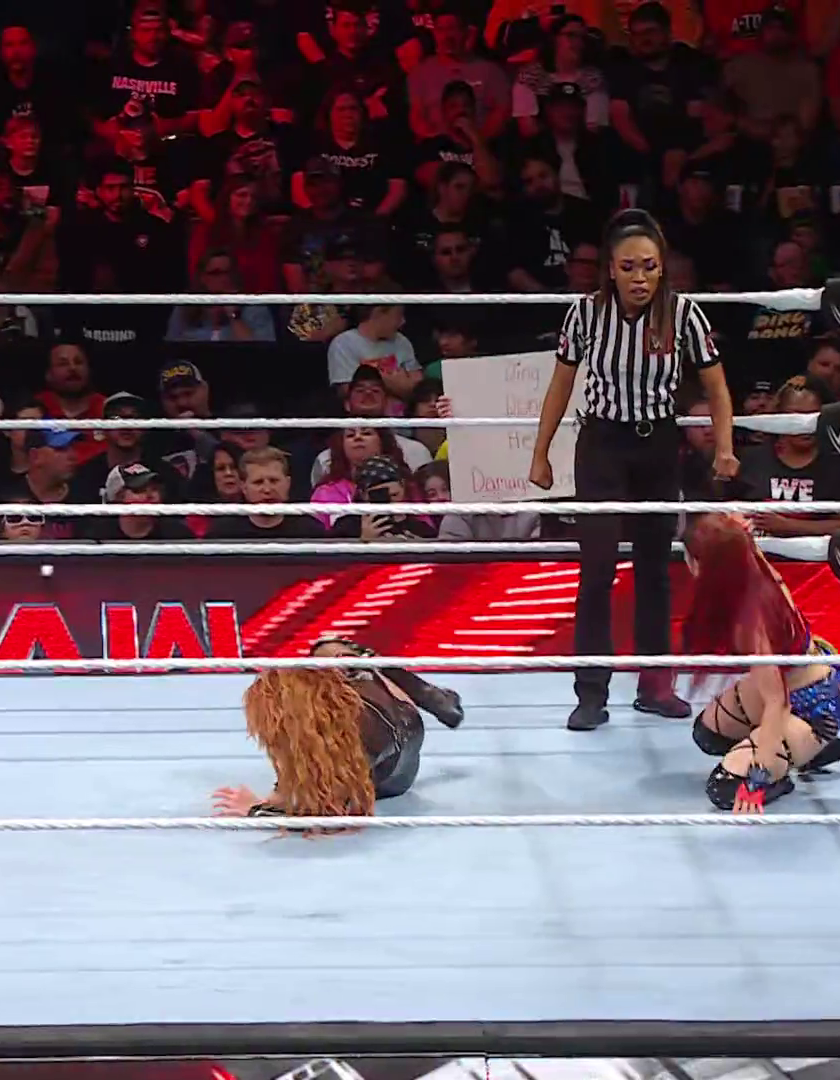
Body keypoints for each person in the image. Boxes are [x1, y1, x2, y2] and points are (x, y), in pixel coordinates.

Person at [529, 208, 738, 732]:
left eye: (648, 266)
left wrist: (725, 447)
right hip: (602, 445)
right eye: (628, 267)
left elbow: (716, 387)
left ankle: (655, 686)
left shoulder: (684, 314)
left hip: (658, 445)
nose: (639, 278)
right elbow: (560, 385)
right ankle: (591, 693)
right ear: (611, 269)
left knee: (654, 568)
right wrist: (540, 453)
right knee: (597, 568)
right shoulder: (585, 314)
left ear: (662, 266)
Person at [681, 514, 840, 813]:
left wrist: (758, 778)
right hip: (790, 682)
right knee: (708, 734)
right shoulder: (750, 569)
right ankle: (800, 748)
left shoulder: (749, 621)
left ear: (701, 565)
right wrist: (737, 532)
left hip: (813, 703)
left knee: (725, 788)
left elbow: (777, 702)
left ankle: (799, 752)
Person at [212, 639, 467, 818]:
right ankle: (433, 697)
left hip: (390, 779)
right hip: (394, 719)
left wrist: (255, 810)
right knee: (330, 649)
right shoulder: (340, 703)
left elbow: (324, 813)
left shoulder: (360, 742)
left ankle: (431, 696)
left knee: (334, 655)